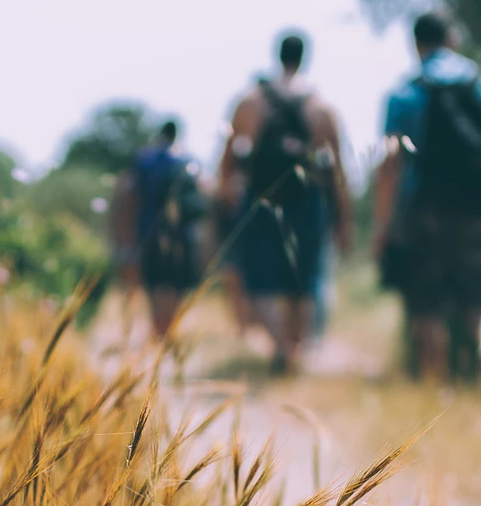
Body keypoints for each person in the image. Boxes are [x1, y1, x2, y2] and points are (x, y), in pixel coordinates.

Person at [373, 12, 481, 404]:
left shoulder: (404, 93)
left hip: (424, 210)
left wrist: (384, 224)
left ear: (416, 44)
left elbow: (391, 165)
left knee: (428, 302)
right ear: (453, 39)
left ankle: (438, 395)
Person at [217, 33, 354, 375]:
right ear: (305, 57)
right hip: (307, 201)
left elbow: (227, 161)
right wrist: (343, 219)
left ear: (277, 56)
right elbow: (337, 171)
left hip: (261, 200)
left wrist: (227, 199)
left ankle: (280, 346)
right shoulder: (321, 106)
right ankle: (294, 349)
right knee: (302, 279)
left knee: (263, 279)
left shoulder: (250, 101)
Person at [113, 121, 205, 340]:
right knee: (176, 284)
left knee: (155, 285)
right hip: (184, 235)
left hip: (150, 232)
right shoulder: (188, 160)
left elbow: (129, 195)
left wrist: (125, 232)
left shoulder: (145, 160)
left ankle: (158, 331)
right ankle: (168, 329)